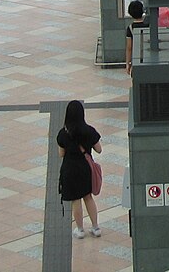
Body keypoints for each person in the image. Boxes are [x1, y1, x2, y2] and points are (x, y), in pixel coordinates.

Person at [56, 100, 102, 239]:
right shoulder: (89, 131)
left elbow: (61, 154)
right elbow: (99, 149)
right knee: (88, 197)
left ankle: (80, 230)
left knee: (76, 200)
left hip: (70, 169)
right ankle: (95, 227)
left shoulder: (63, 134)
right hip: (85, 168)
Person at [124, 0, 149, 75]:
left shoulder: (130, 28)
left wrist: (128, 63)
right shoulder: (149, 25)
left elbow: (129, 47)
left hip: (137, 58)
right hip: (148, 56)